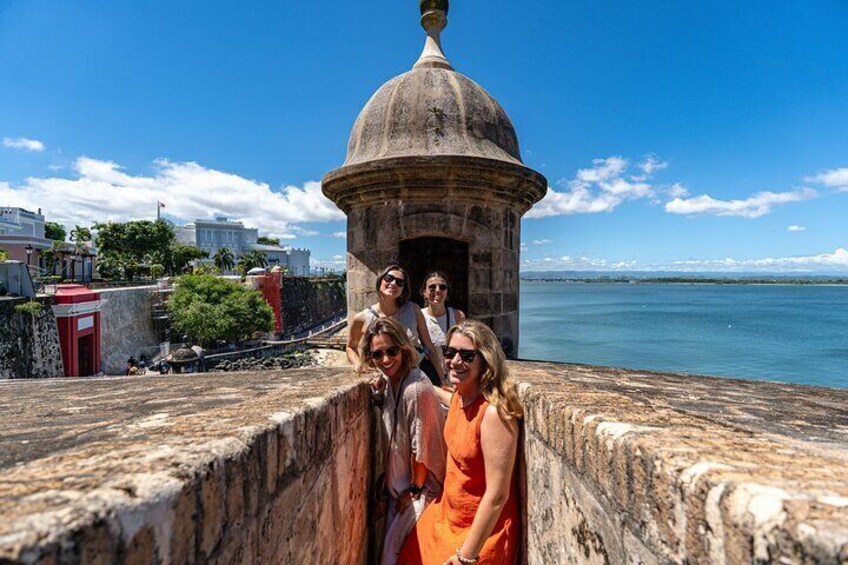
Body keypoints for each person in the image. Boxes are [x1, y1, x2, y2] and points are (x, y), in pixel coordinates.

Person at [398, 320, 523, 565]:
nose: (455, 361)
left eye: (467, 356)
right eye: (449, 352)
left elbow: (498, 495)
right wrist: (406, 378)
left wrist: (466, 555)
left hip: (479, 528)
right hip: (448, 512)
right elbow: (447, 397)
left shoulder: (494, 415)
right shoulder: (461, 395)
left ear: (485, 361)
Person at [359, 317, 447, 565]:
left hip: (418, 494)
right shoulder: (391, 381)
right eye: (377, 354)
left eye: (392, 351)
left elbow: (420, 449)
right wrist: (378, 395)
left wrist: (413, 491)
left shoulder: (415, 389)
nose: (386, 360)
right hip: (399, 494)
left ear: (404, 348)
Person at [346, 265, 444, 382]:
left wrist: (442, 378)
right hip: (383, 379)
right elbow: (350, 347)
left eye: (399, 282)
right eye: (389, 278)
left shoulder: (413, 310)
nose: (393, 283)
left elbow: (428, 346)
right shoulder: (362, 318)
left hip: (415, 375)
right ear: (380, 281)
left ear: (403, 289)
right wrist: (358, 363)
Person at [419, 271, 466, 386]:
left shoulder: (458, 316)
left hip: (453, 374)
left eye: (442, 287)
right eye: (432, 287)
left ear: (447, 292)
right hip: (427, 375)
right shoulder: (418, 316)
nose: (437, 290)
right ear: (424, 292)